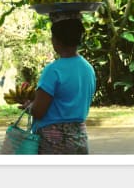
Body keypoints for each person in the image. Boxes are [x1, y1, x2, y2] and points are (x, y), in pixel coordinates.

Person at [19, 18, 96, 154]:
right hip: (79, 137)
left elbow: (39, 111)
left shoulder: (53, 70)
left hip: (54, 140)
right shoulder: (88, 68)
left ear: (57, 40)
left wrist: (28, 106)